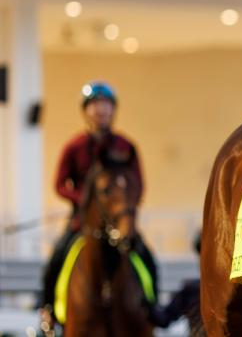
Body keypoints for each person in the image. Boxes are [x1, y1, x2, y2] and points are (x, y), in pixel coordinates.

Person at [38, 82, 159, 326]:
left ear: (113, 110)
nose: (101, 110)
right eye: (95, 105)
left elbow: (138, 184)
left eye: (105, 105)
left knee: (147, 258)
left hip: (119, 223)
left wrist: (123, 207)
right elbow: (60, 184)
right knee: (56, 259)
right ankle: (49, 311)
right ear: (86, 111)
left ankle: (152, 307)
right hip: (82, 223)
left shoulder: (126, 146)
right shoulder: (74, 146)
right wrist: (82, 200)